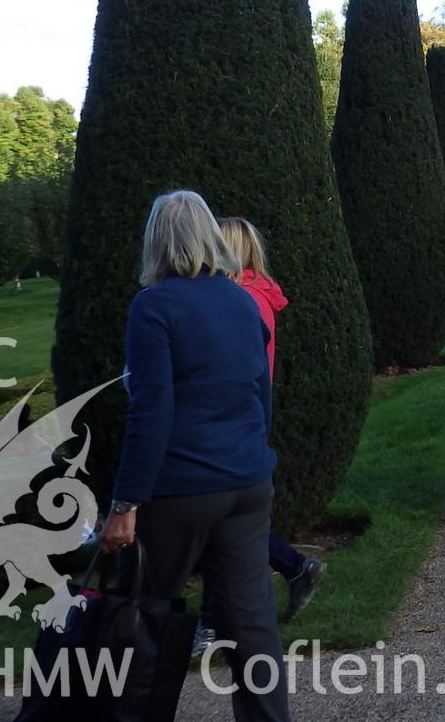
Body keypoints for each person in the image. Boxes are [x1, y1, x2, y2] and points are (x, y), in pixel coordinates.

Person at [100, 190, 289, 721]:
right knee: (253, 625)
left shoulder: (154, 306)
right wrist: (254, 452)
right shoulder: (239, 300)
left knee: (140, 614)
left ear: (156, 241)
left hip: (181, 486)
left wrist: (125, 502)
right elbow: (260, 390)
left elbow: (150, 412)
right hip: (246, 482)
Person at [217, 219, 326, 621]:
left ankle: (218, 618)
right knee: (225, 522)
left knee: (223, 520)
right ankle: (292, 568)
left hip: (238, 416)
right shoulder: (250, 294)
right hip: (243, 413)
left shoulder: (243, 299)